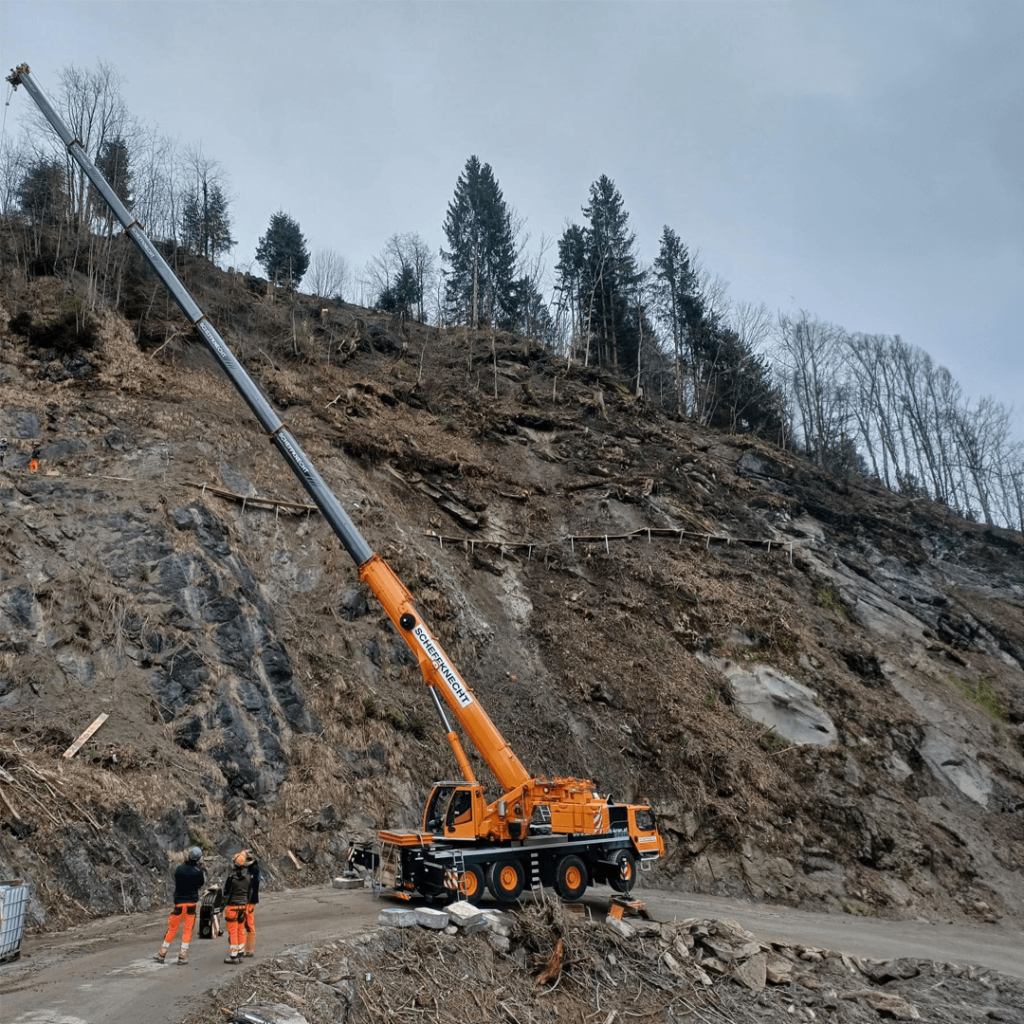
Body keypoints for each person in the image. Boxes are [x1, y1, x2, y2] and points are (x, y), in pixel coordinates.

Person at [156, 846, 205, 965]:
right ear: (198, 859)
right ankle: (182, 955)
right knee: (187, 930)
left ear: (189, 856)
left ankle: (162, 953)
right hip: (191, 904)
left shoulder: (179, 869)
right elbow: (200, 884)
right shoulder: (198, 872)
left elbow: (176, 879)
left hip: (179, 903)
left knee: (172, 929)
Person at [222, 851, 253, 964]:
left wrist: (221, 908)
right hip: (243, 907)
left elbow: (226, 894)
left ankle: (233, 956)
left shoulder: (231, 879)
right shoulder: (248, 878)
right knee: (241, 930)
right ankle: (240, 953)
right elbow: (250, 893)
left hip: (232, 908)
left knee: (233, 931)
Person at [243, 852, 260, 957]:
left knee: (248, 924)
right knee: (248, 924)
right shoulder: (253, 868)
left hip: (250, 900)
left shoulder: (254, 869)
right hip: (250, 900)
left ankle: (248, 949)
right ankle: (248, 948)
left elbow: (251, 885)